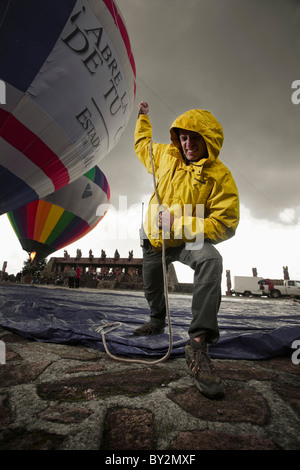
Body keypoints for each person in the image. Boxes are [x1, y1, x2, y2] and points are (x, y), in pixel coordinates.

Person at [133, 102, 239, 399]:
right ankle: (156, 321)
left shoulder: (220, 176)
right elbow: (142, 145)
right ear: (176, 138)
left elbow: (225, 222)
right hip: (153, 240)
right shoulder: (165, 156)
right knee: (151, 287)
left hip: (187, 239)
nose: (188, 143)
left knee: (211, 260)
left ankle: (198, 341)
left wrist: (179, 224)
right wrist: (143, 118)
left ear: (209, 140)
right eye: (183, 137)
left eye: (195, 137)